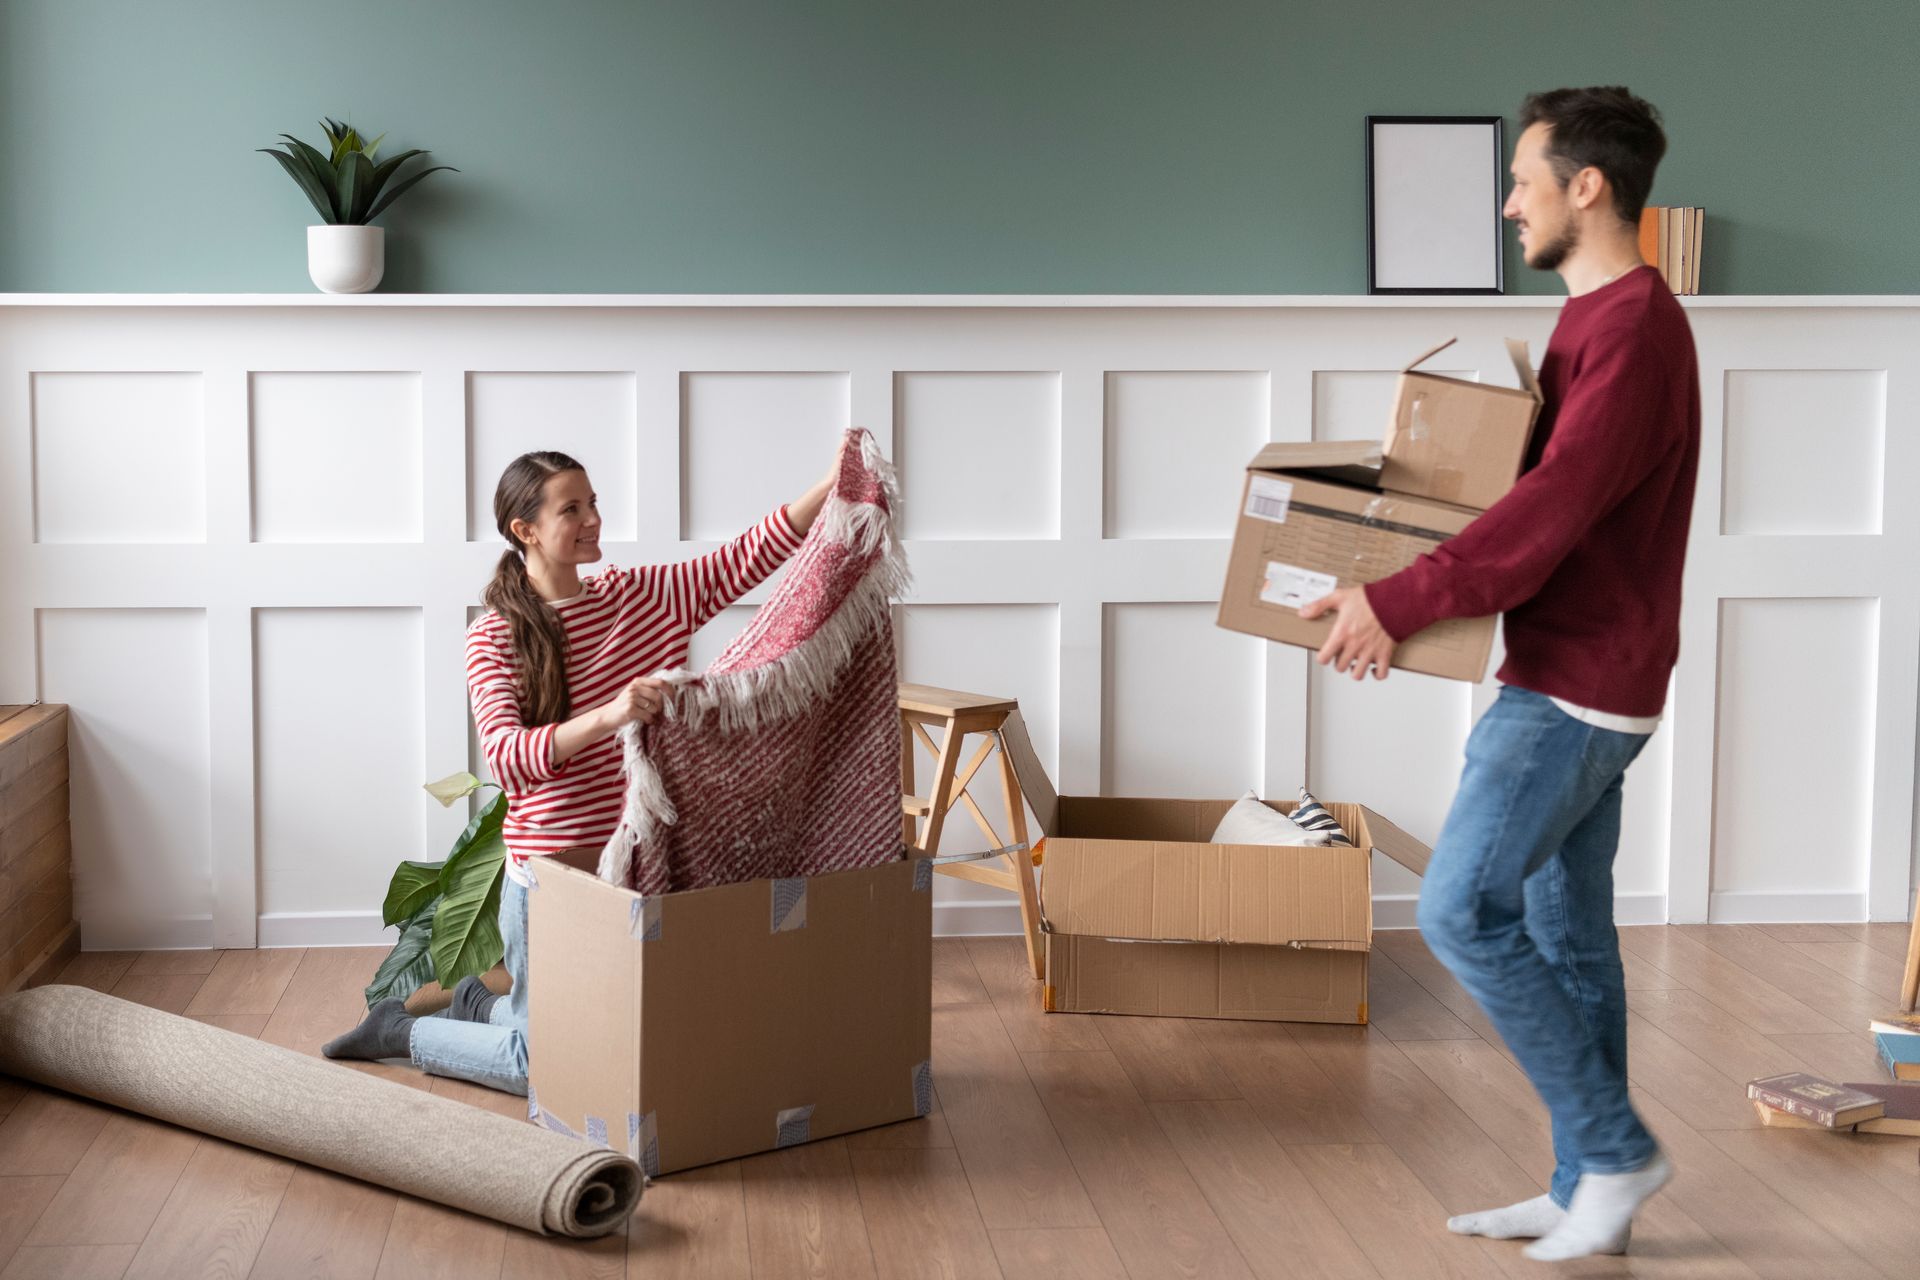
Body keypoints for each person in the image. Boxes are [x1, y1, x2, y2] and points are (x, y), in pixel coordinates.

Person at [1303, 86, 1697, 1262]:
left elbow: (1551, 515)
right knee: (1565, 931)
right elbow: (1532, 493)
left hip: (1576, 685)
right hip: (1581, 666)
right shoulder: (1598, 321)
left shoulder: (1629, 331)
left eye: (1523, 178)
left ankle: (1617, 1151)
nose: (1507, 199)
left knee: (1458, 907)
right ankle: (1591, 1184)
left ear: (1588, 187)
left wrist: (1395, 597)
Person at [323, 441, 844, 1094]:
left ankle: (483, 1008)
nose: (594, 518)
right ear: (526, 530)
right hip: (546, 883)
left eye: (594, 502)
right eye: (573, 508)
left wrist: (829, 485)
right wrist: (611, 713)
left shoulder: (638, 598)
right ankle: (399, 1032)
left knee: (631, 1036)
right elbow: (509, 760)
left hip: (629, 870)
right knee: (544, 1065)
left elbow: (739, 561)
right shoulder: (494, 634)